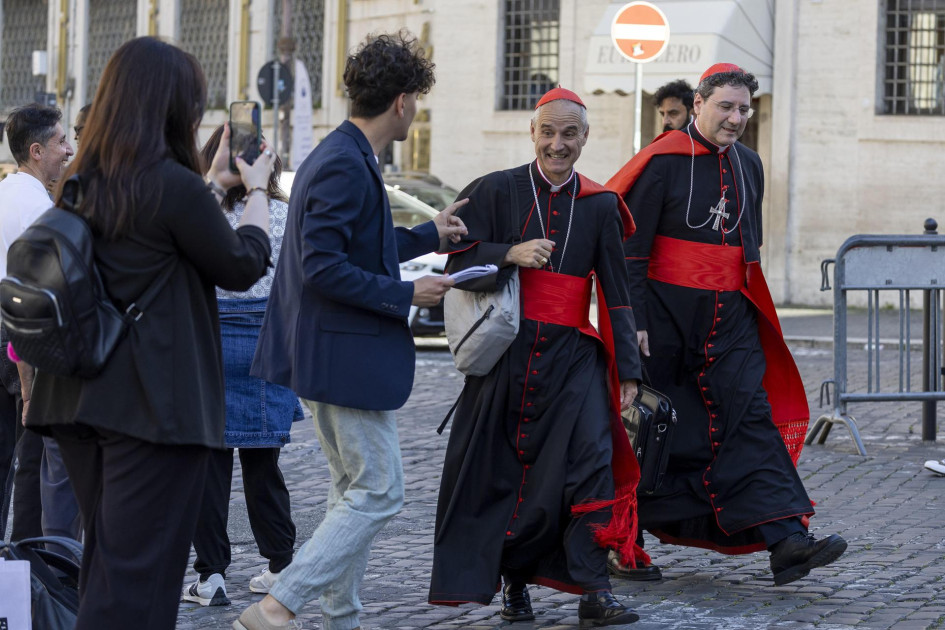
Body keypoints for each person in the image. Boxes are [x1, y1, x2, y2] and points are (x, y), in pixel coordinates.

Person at [21, 36, 275, 629]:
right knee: (138, 584)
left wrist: (212, 184)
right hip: (151, 409)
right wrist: (257, 188)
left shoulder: (82, 182)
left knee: (109, 571)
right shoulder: (165, 183)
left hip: (79, 401)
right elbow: (241, 263)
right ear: (171, 107)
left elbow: (163, 246)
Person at [241, 31, 467, 630]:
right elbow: (321, 267)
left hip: (327, 354)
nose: (415, 108)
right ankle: (278, 604)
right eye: (415, 98)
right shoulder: (344, 160)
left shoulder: (344, 153)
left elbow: (355, 248)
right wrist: (405, 292)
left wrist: (427, 237)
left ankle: (342, 619)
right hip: (339, 358)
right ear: (400, 101)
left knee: (352, 493)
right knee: (380, 491)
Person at [606, 63, 847, 587]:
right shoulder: (661, 163)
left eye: (744, 109)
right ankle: (624, 543)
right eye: (726, 107)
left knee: (749, 418)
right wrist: (635, 323)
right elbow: (630, 253)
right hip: (664, 323)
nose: (736, 118)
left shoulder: (750, 165)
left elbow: (747, 249)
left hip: (729, 322)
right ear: (698, 104)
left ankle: (786, 540)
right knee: (653, 435)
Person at [428, 87, 643, 627]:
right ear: (532, 133)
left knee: (591, 464)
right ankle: (514, 585)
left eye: (569, 133)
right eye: (548, 132)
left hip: (574, 358)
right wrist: (509, 253)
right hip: (507, 356)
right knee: (504, 474)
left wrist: (630, 377)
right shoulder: (497, 190)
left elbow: (617, 296)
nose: (558, 144)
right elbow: (455, 254)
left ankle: (595, 590)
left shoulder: (599, 205)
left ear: (585, 138)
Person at [180, 125, 303, 607]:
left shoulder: (203, 211)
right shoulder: (284, 213)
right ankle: (281, 565)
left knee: (210, 467)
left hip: (210, 337)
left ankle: (211, 576)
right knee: (263, 464)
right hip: (265, 343)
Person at [0, 103, 80, 546]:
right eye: (61, 141)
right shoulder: (37, 207)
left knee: (14, 456)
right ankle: (34, 562)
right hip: (22, 338)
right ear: (36, 151)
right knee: (36, 452)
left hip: (9, 332)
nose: (68, 150)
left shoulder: (9, 192)